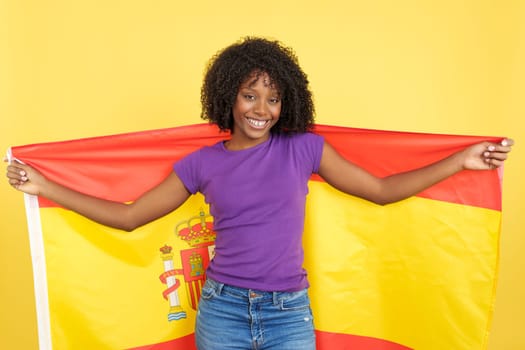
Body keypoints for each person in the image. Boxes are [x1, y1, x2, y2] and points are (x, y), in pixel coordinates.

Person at [5, 37, 513, 350]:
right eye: (251, 95)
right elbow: (131, 215)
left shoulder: (305, 151)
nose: (261, 109)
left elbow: (380, 190)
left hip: (289, 313)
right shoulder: (201, 163)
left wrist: (460, 161)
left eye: (273, 98)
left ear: (285, 102)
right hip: (222, 311)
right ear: (229, 97)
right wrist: (46, 185)